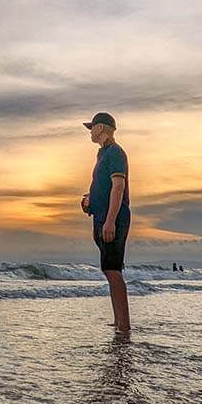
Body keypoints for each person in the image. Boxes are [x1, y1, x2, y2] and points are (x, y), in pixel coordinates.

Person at [79, 112, 131, 332]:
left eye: (92, 128)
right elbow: (105, 187)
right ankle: (119, 323)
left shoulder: (115, 153)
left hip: (113, 218)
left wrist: (110, 221)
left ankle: (124, 325)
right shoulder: (102, 155)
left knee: (112, 270)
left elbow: (118, 187)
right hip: (101, 216)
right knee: (109, 270)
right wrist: (90, 200)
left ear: (100, 128)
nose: (90, 132)